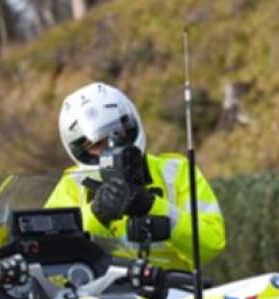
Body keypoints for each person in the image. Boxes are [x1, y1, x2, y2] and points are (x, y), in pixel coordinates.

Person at [46, 82, 225, 272]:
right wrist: (96, 214)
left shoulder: (176, 172)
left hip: (172, 290)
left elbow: (211, 245)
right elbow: (49, 251)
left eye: (116, 134)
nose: (110, 146)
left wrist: (153, 207)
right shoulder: (72, 185)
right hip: (98, 292)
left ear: (130, 126)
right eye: (96, 144)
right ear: (81, 150)